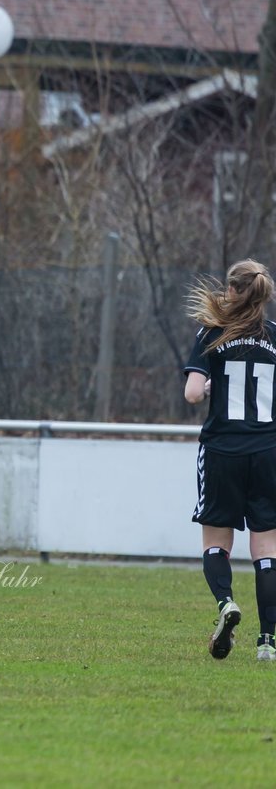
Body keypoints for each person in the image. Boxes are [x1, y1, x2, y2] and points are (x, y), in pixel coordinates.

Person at [184, 258, 276, 661]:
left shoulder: (211, 334)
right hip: (268, 451)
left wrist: (204, 388)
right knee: (267, 548)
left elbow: (191, 394)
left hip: (222, 450)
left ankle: (226, 603)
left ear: (235, 292)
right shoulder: (275, 336)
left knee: (216, 541)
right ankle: (267, 643)